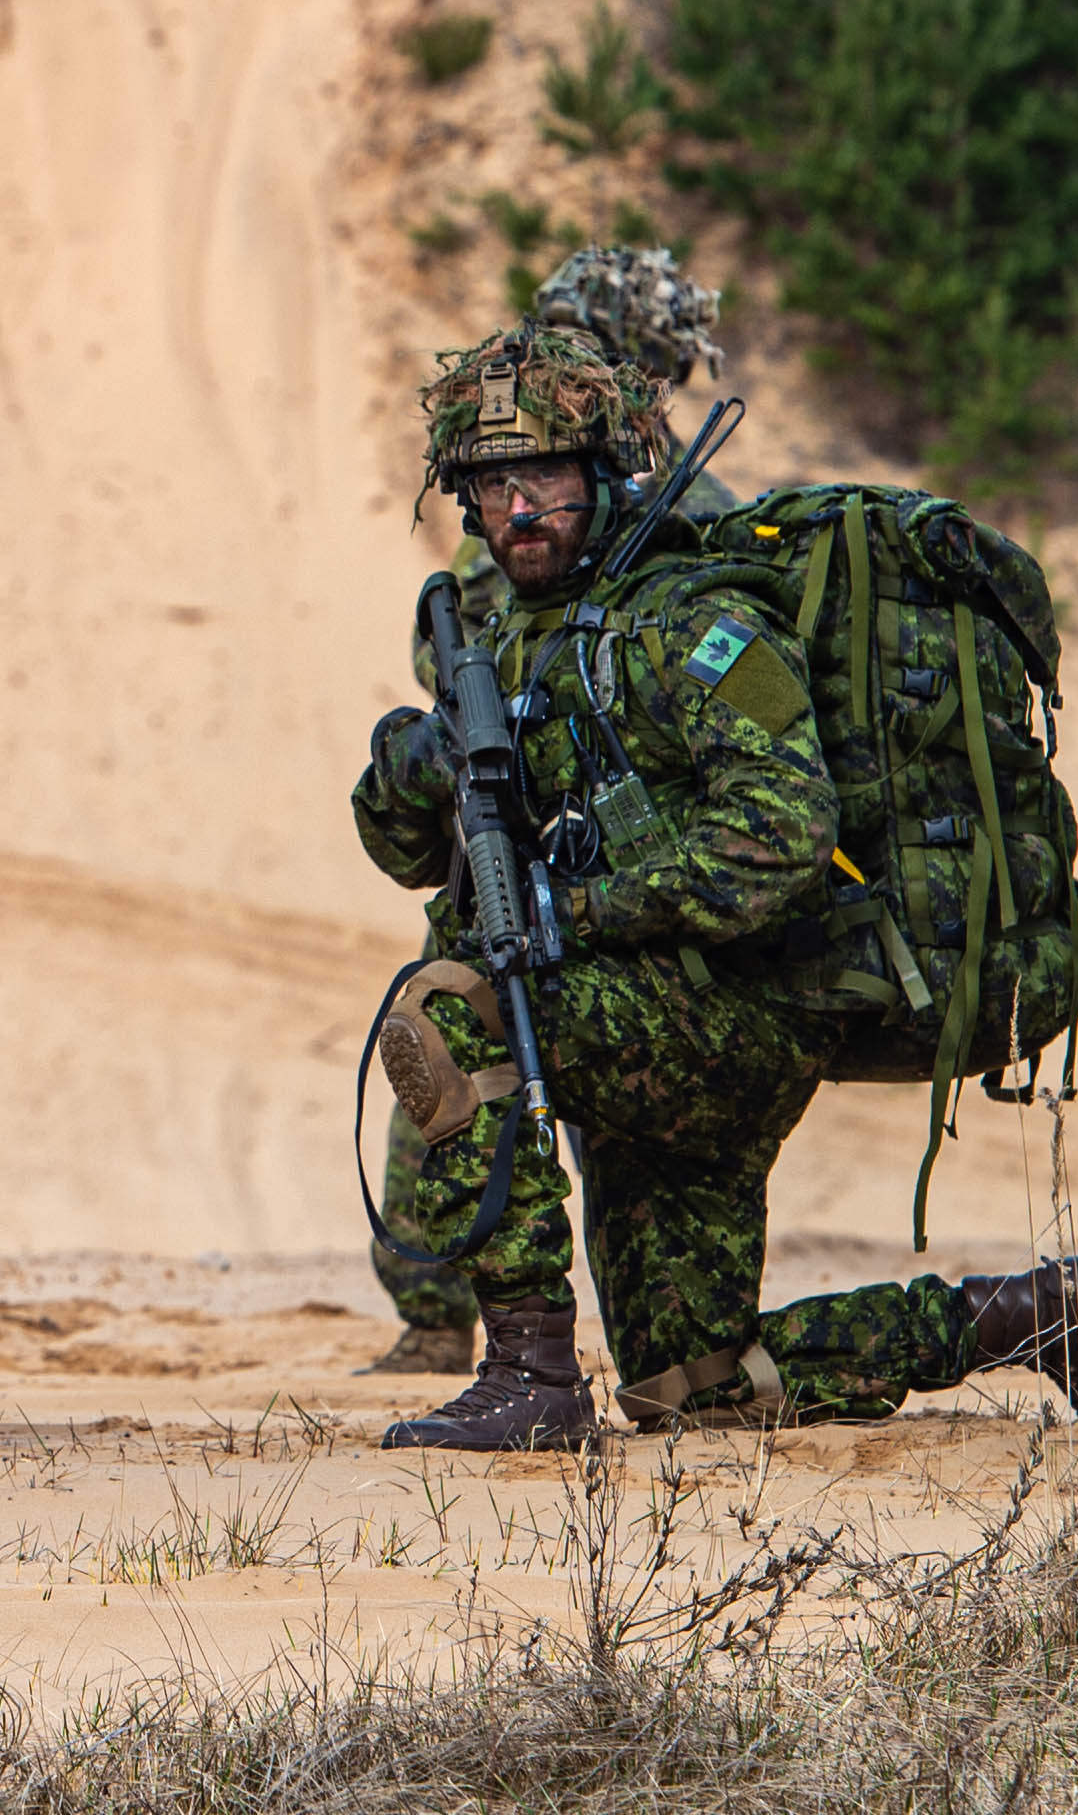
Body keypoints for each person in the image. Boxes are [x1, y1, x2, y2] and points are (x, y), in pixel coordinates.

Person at [348, 326, 1078, 1450]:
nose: (518, 509)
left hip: (731, 1018)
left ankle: (529, 1366)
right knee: (695, 1386)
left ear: (606, 473)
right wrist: (409, 769)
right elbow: (411, 856)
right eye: (489, 486)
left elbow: (780, 833)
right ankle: (1042, 1316)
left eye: (544, 479)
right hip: (644, 1023)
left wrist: (580, 911)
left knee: (450, 1012)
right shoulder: (504, 640)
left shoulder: (691, 622)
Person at [362, 247, 735, 1378]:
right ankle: (485, 1329)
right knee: (459, 1008)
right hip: (547, 857)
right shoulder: (631, 499)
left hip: (639, 906)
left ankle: (448, 1314)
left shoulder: (664, 517)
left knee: (474, 1013)